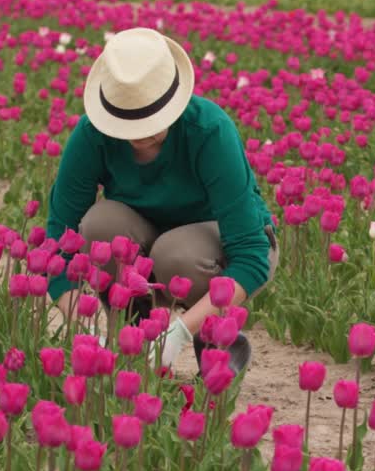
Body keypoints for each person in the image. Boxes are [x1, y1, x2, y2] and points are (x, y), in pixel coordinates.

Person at [45, 27, 277, 373]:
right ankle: (133, 337)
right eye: (128, 122)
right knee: (100, 225)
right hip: (145, 242)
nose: (140, 133)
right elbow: (58, 247)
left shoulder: (209, 131)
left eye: (150, 119)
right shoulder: (92, 136)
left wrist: (179, 333)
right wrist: (83, 322)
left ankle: (215, 338)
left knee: (175, 254)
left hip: (212, 250)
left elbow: (252, 255)